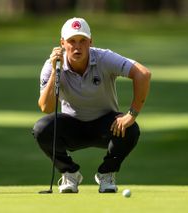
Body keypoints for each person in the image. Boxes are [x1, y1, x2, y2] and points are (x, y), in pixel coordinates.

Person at [32, 17, 151, 193]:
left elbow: (143, 74)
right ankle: (69, 173)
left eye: (82, 41)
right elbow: (46, 107)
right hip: (72, 126)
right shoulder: (52, 66)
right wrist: (55, 72)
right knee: (42, 128)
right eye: (71, 41)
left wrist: (131, 114)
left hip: (106, 126)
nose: (77, 46)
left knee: (131, 129)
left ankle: (106, 173)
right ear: (62, 43)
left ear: (90, 42)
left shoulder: (104, 58)